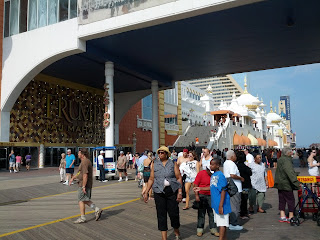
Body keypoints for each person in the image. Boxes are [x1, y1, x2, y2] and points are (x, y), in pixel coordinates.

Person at [143, 146, 182, 240]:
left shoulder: (173, 163)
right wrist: (146, 192)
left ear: (167, 154)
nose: (160, 154)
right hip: (158, 191)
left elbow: (179, 178)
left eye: (162, 152)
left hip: (171, 191)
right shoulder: (154, 163)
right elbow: (151, 178)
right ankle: (164, 238)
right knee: (161, 214)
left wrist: (180, 192)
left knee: (173, 213)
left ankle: (176, 232)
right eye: (159, 152)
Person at [194, 159, 231, 240]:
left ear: (218, 165)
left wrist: (221, 205)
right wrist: (200, 188)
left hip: (221, 203)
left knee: (222, 224)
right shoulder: (213, 175)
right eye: (210, 164)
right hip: (216, 203)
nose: (211, 166)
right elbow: (212, 187)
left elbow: (223, 190)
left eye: (213, 165)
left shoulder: (220, 176)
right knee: (220, 223)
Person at [70, 148, 103, 224]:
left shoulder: (85, 162)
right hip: (84, 183)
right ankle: (97, 209)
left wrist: (83, 186)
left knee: (81, 200)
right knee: (85, 199)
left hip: (84, 184)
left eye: (79, 153)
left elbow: (85, 175)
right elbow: (80, 173)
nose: (78, 154)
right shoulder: (85, 161)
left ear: (82, 154)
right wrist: (73, 177)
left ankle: (82, 217)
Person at [274, 147, 300, 225]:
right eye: (291, 151)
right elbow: (289, 172)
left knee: (282, 199)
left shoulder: (281, 159)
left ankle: (282, 215)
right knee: (290, 199)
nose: (292, 153)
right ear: (288, 153)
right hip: (286, 183)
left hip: (280, 182)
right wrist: (296, 182)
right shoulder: (286, 160)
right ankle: (291, 216)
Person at [193, 165, 219, 237]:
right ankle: (200, 229)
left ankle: (213, 228)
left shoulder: (215, 175)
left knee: (212, 213)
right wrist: (197, 196)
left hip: (212, 196)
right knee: (201, 213)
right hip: (202, 195)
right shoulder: (201, 173)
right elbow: (195, 184)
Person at [223, 150, 244, 230]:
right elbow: (232, 175)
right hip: (235, 186)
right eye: (235, 155)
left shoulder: (225, 163)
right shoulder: (232, 164)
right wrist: (240, 178)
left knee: (231, 204)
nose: (236, 157)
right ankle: (234, 223)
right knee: (235, 205)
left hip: (229, 186)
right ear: (232, 156)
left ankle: (231, 221)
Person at [236, 151, 252, 219]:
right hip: (245, 185)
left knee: (239, 200)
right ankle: (243, 213)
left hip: (237, 185)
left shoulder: (236, 166)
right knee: (244, 199)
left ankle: (240, 212)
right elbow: (250, 173)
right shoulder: (245, 167)